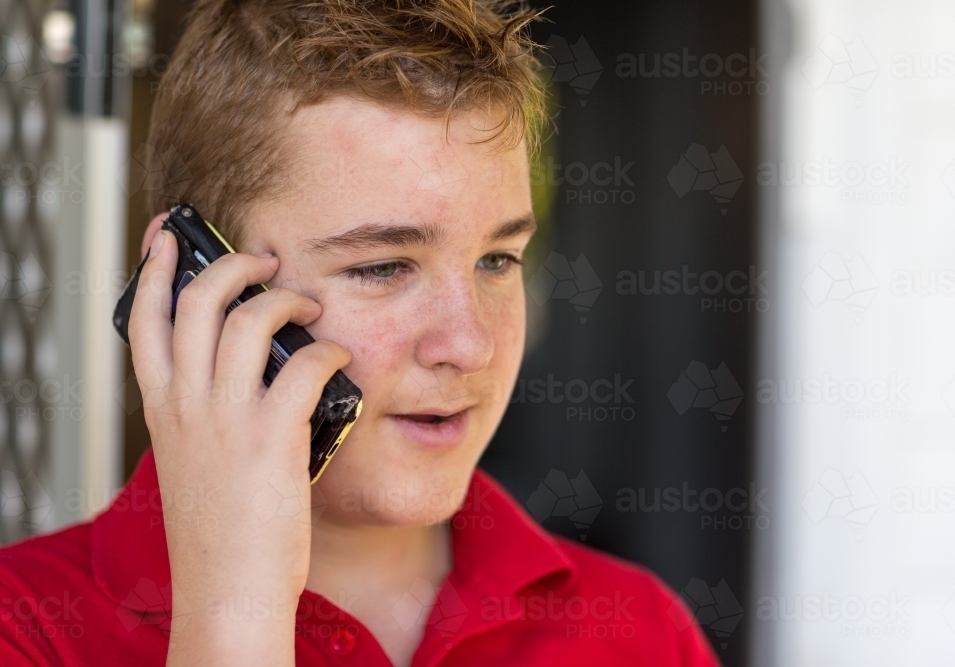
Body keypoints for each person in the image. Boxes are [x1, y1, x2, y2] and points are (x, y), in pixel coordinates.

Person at [0, 1, 721, 665]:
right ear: (192, 283)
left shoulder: (641, 631)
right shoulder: (26, 628)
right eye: (382, 267)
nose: (470, 345)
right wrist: (232, 613)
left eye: (497, 259)